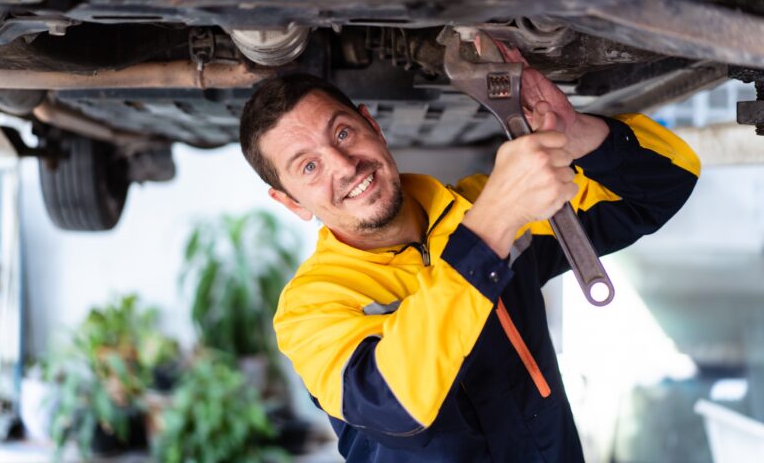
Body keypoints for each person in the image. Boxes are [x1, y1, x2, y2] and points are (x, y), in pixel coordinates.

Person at [238, 60, 700, 462]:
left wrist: (578, 135)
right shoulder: (309, 309)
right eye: (308, 167)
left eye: (342, 133)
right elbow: (392, 402)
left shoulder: (483, 204)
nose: (343, 165)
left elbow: (664, 186)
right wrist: (492, 224)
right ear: (291, 202)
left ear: (372, 126)